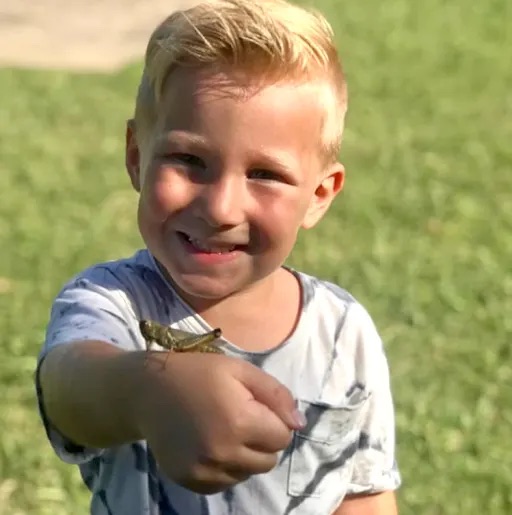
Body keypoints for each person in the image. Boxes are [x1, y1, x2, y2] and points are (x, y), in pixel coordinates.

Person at [35, 0, 401, 513]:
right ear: (137, 156)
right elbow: (67, 388)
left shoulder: (343, 333)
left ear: (319, 194)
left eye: (264, 174)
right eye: (189, 160)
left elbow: (363, 491)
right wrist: (148, 392)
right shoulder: (112, 301)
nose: (221, 208)